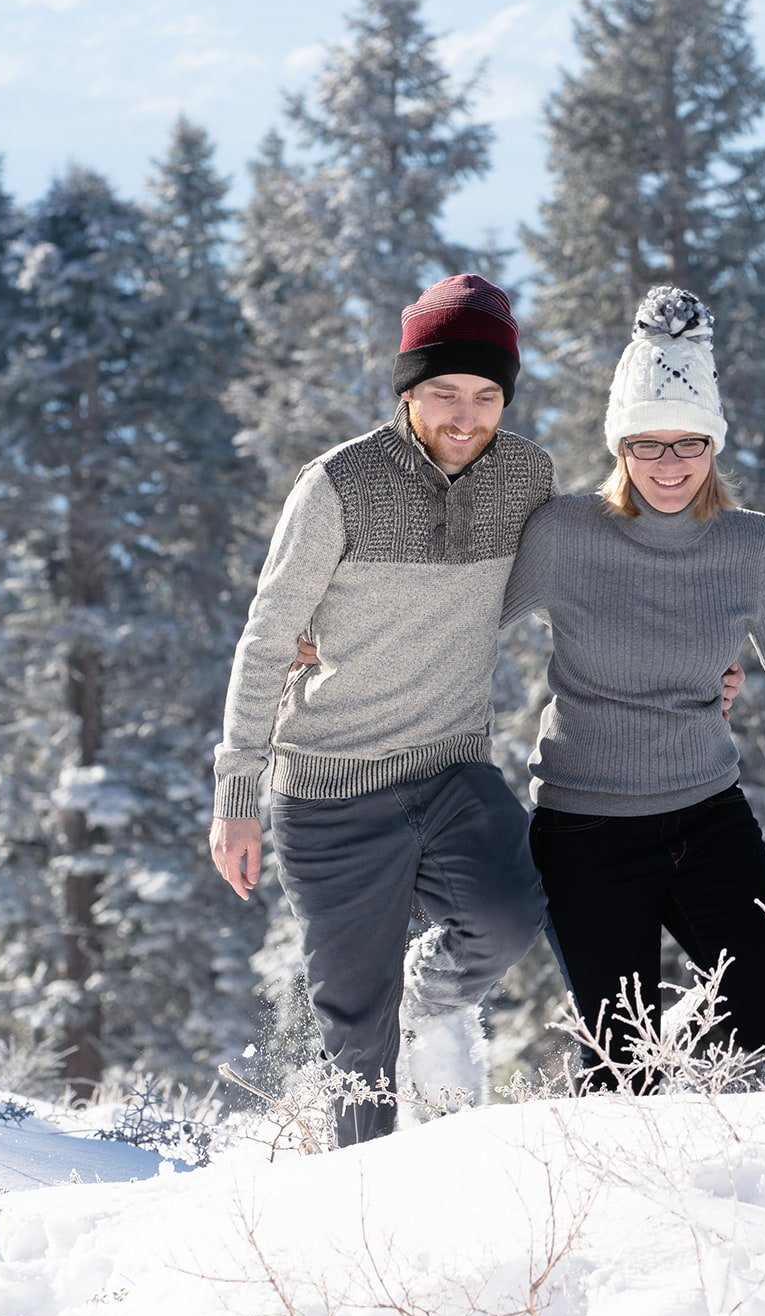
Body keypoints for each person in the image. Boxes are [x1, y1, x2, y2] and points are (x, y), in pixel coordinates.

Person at [496, 285, 765, 1089]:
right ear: (620, 447)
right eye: (648, 444)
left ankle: (666, 1074)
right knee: (617, 1071)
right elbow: (463, 626)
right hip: (585, 831)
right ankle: (623, 1155)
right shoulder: (565, 535)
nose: (670, 464)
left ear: (714, 447)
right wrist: (334, 643)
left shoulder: (748, 546)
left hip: (706, 817)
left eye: (689, 443)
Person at [208, 272, 557, 1145]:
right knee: (353, 1036)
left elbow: (568, 577)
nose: (467, 417)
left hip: (452, 768)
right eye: (444, 393)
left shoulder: (526, 476)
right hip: (329, 793)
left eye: (486, 396)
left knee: (511, 912)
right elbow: (264, 639)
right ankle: (367, 1221)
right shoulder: (338, 486)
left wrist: (701, 663)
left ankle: (423, 1005)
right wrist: (235, 798)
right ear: (408, 392)